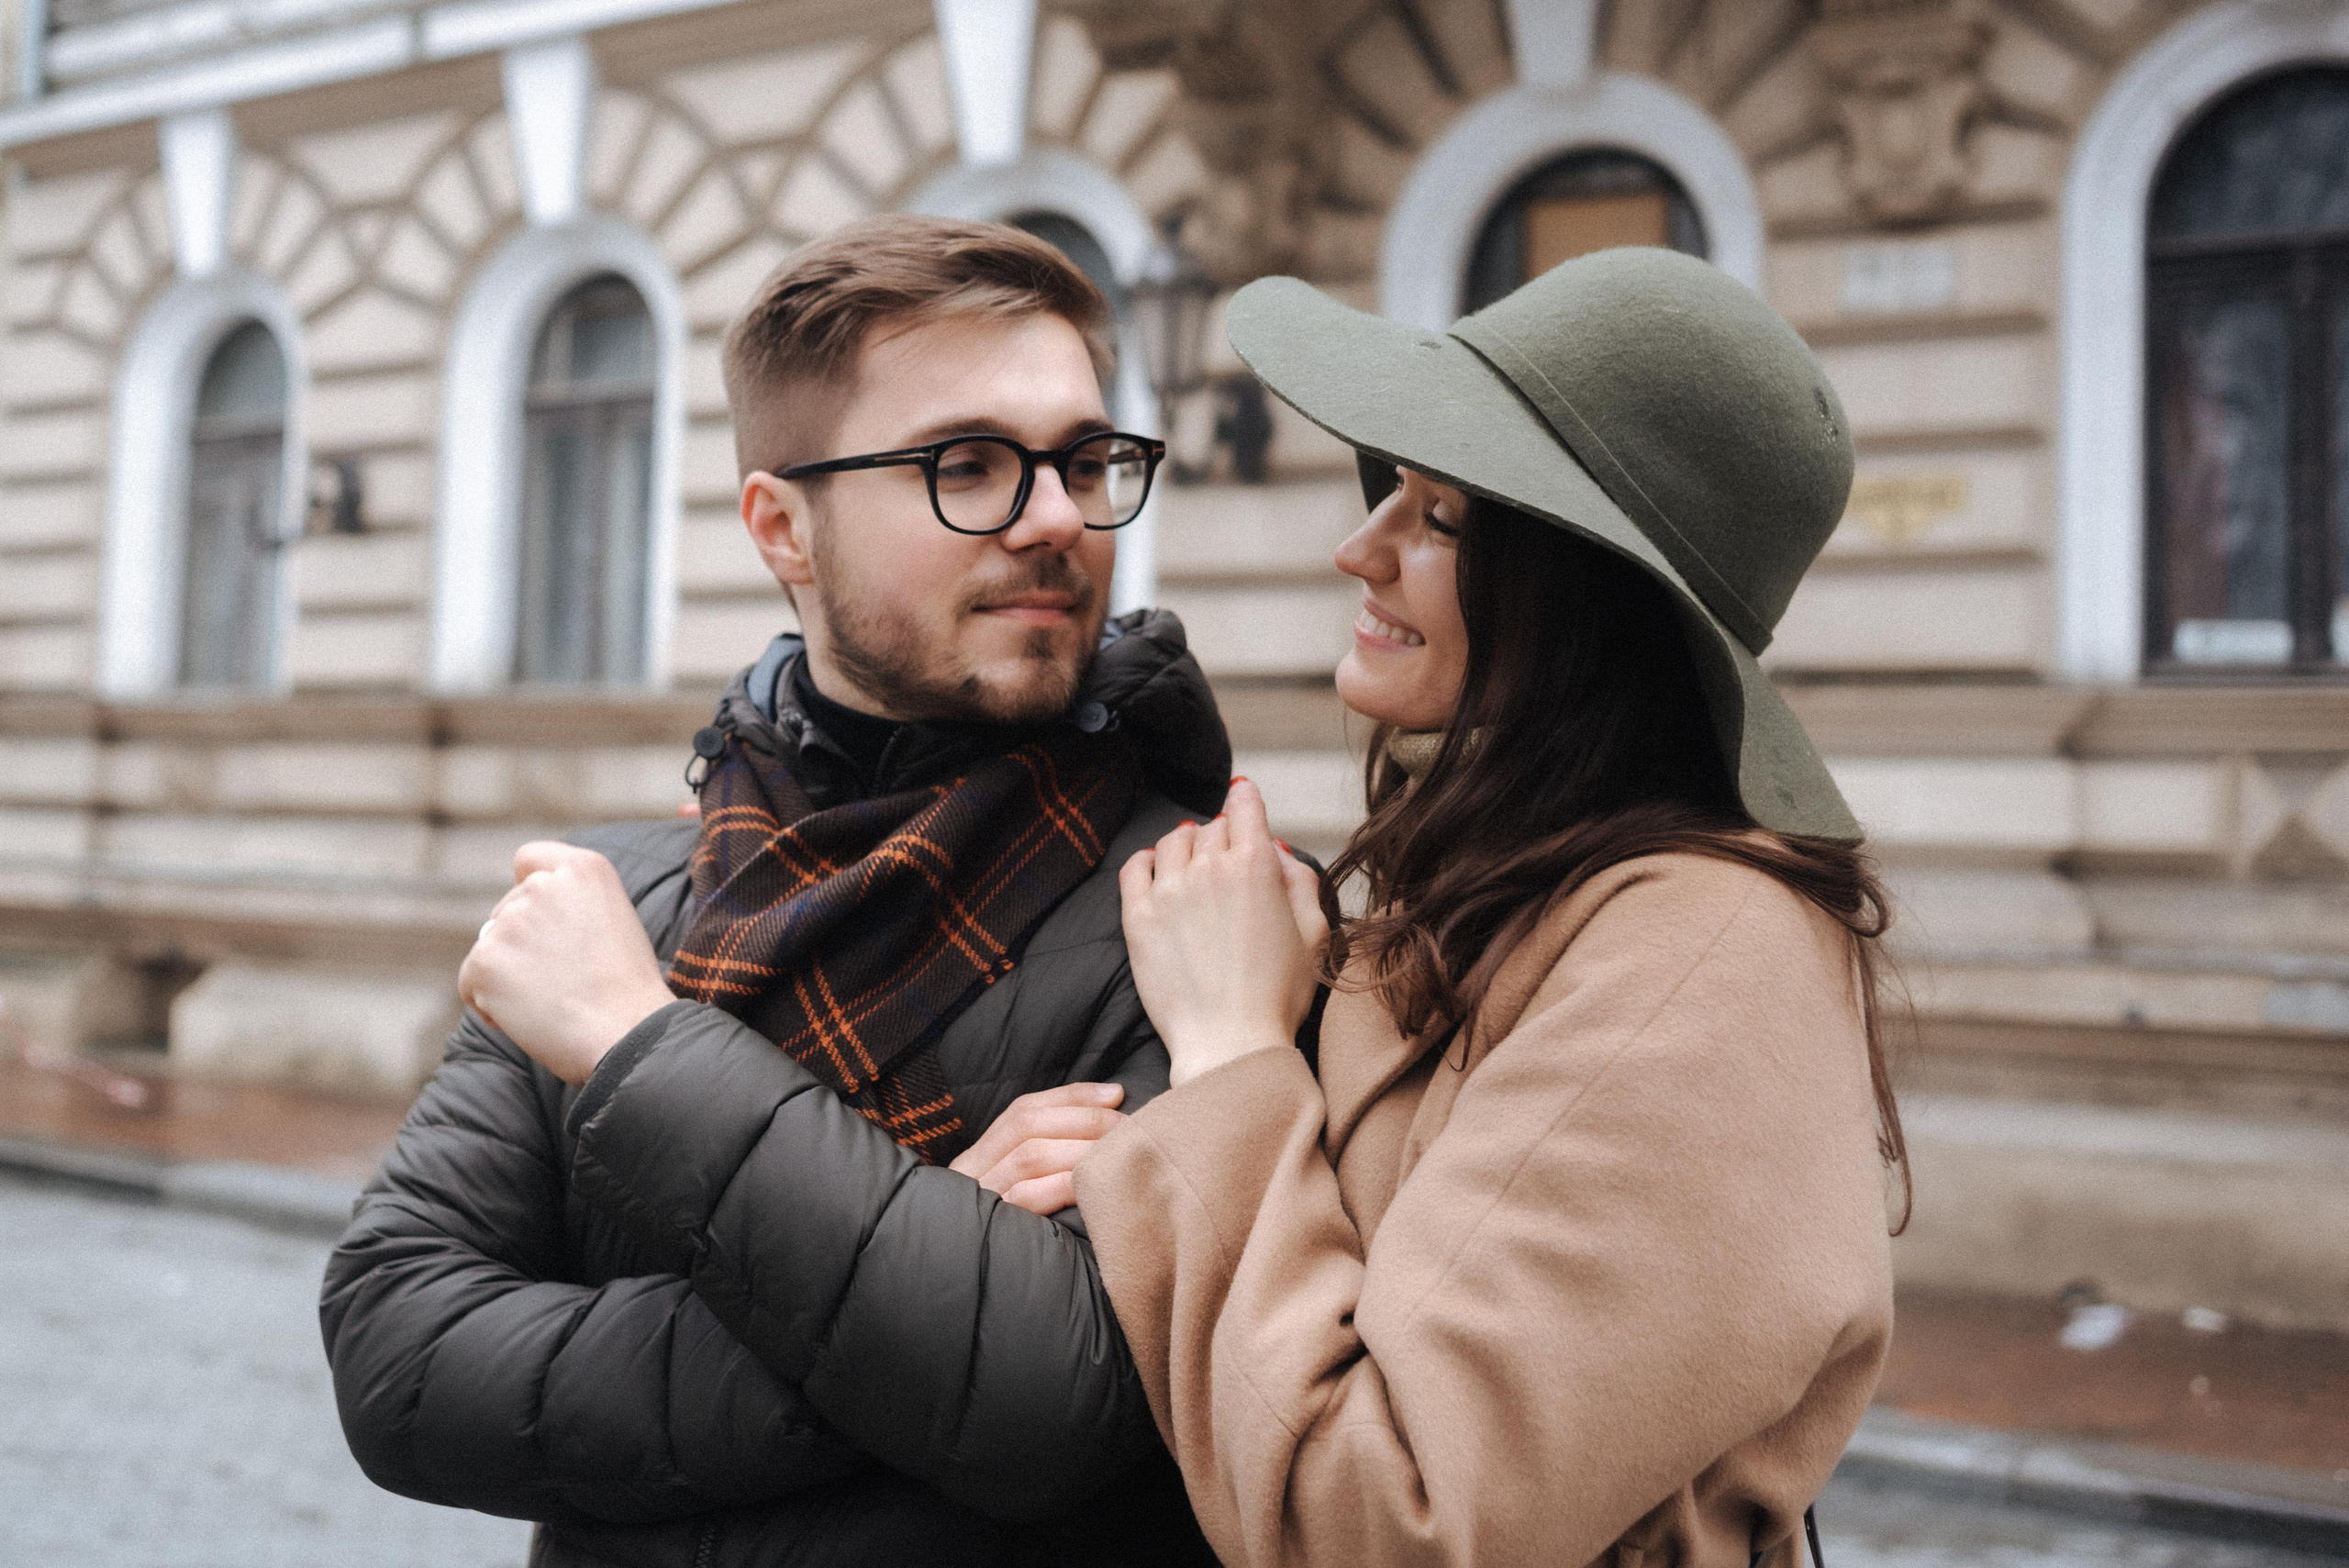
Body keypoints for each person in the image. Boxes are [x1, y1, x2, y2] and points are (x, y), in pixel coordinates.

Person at [319, 216, 1229, 1567]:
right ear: (780, 527)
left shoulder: (1206, 913)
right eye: (966, 464)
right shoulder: (616, 898)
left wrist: (643, 1048)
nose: (1054, 518)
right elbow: (400, 1357)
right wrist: (930, 1252)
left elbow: (1059, 1400)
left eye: (1084, 461)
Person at [1075, 247, 1908, 1567]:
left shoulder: (1703, 948)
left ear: (1591, 601)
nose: (1362, 547)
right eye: (1393, 490)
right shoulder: (1495, 887)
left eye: (1444, 517)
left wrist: (1232, 1052)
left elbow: (1387, 1523)